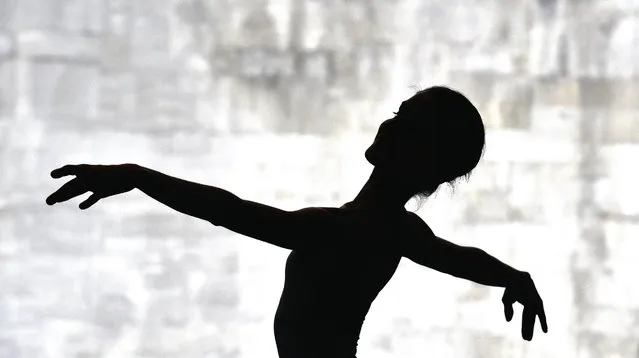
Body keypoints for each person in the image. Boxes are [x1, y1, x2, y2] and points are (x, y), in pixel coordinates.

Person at [47, 86, 548, 358]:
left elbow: (228, 211)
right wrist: (511, 276)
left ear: (427, 166)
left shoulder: (354, 230)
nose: (390, 122)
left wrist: (138, 176)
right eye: (398, 111)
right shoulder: (396, 231)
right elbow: (459, 258)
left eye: (409, 124)